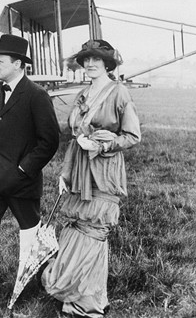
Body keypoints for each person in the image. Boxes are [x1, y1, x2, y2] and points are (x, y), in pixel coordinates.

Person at [41, 39, 141, 317]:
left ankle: (89, 303)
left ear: (108, 64)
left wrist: (101, 145)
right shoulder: (83, 94)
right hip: (79, 170)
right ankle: (72, 297)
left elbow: (133, 136)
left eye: (96, 60)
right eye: (86, 59)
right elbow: (74, 139)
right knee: (75, 229)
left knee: (93, 233)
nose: (89, 64)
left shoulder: (119, 93)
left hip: (103, 170)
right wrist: (65, 173)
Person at [0, 34, 59, 300]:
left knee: (32, 237)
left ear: (18, 64)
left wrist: (24, 171)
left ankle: (42, 284)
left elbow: (49, 141)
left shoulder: (37, 96)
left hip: (21, 184)